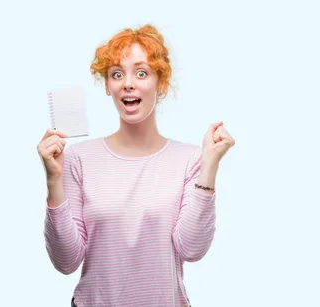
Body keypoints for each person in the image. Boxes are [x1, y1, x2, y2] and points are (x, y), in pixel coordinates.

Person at [37, 24, 235, 307]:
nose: (128, 83)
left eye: (141, 73)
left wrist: (210, 166)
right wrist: (53, 181)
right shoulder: (78, 159)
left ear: (161, 83)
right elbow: (66, 262)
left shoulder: (190, 159)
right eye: (117, 74)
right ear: (108, 85)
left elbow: (191, 249)